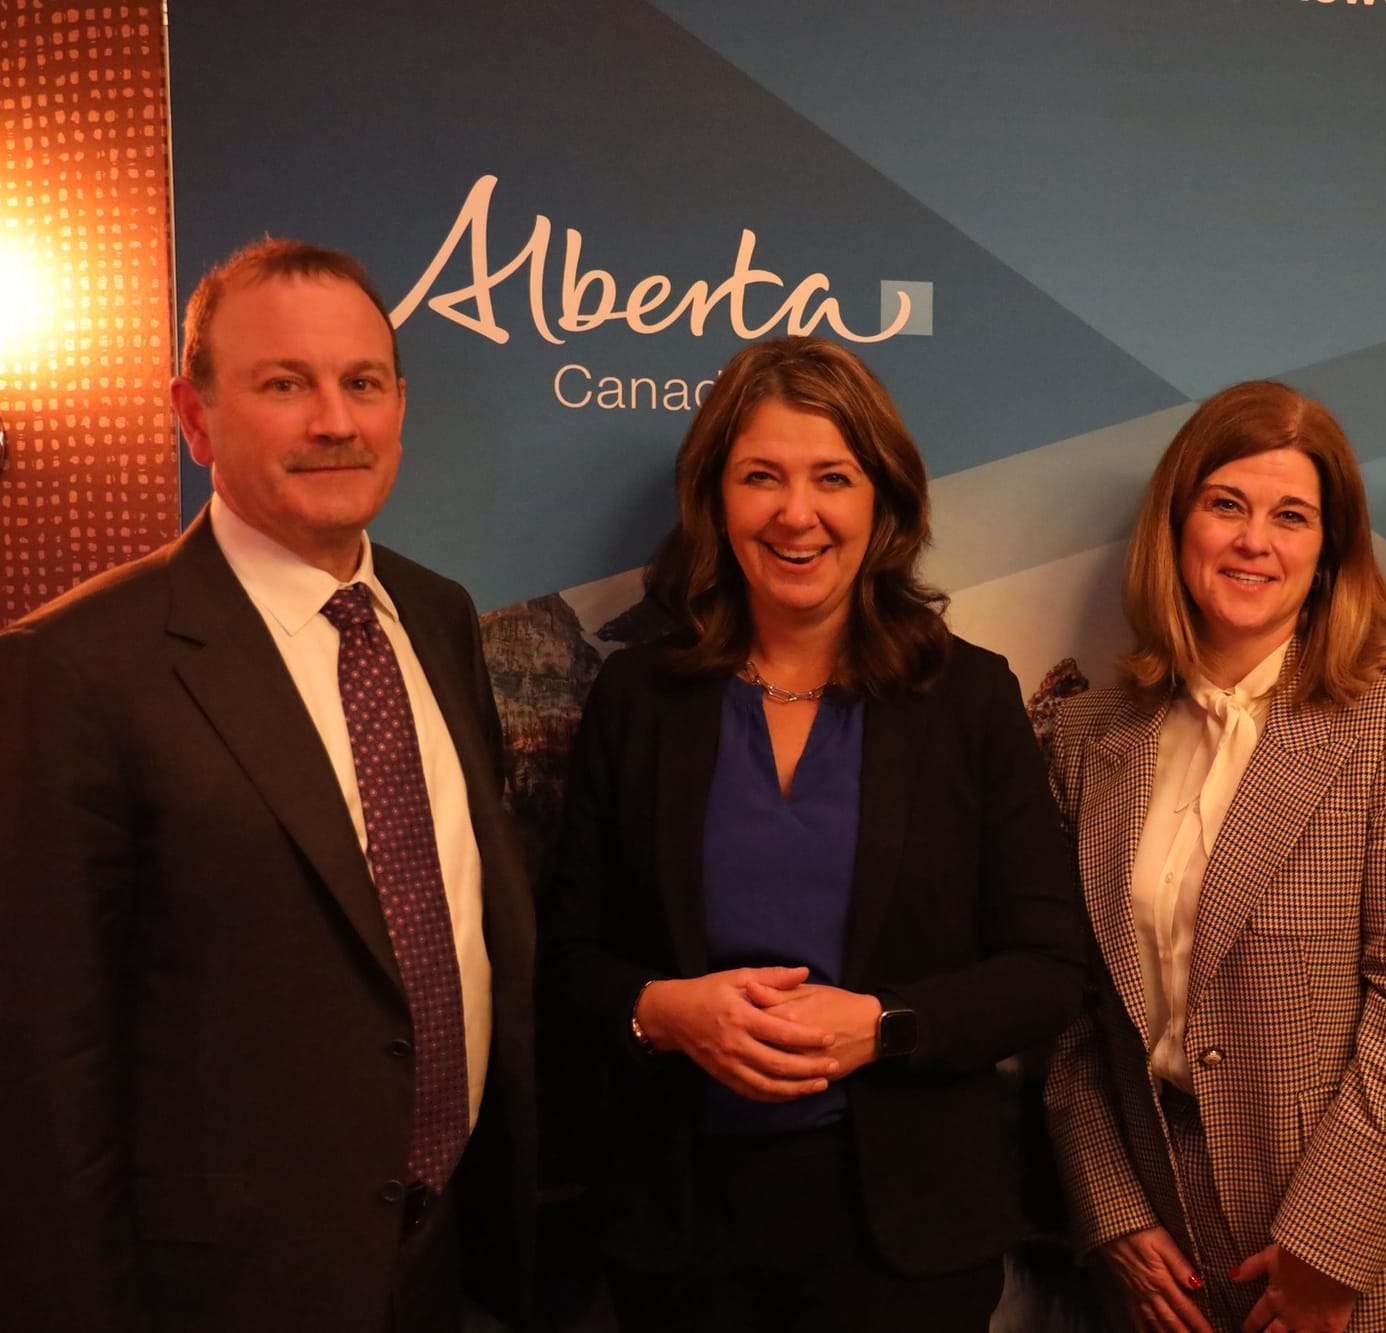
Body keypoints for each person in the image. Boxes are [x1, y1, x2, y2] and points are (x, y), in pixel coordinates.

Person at [0, 239, 537, 1331]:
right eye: (284, 384)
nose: (333, 420)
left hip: (443, 1263)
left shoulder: (438, 617)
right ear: (193, 418)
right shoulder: (74, 665)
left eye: (363, 383)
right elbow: (48, 1064)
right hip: (225, 1289)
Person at [539, 335, 1087, 1332]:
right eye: (762, 477)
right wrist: (664, 1011)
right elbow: (567, 962)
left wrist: (884, 1027)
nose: (797, 513)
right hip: (679, 1235)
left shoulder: (967, 697)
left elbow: (1047, 967)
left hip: (906, 1240)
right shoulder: (637, 698)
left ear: (881, 500)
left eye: (831, 477)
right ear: (715, 499)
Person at [1045, 381, 1386, 1333]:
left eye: (1291, 516)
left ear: (1328, 552)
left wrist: (1329, 1250)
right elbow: (1070, 1014)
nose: (1253, 540)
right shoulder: (1083, 737)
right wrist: (1111, 1213)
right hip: (1172, 1273)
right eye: (1226, 504)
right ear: (1176, 524)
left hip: (1385, 1259)